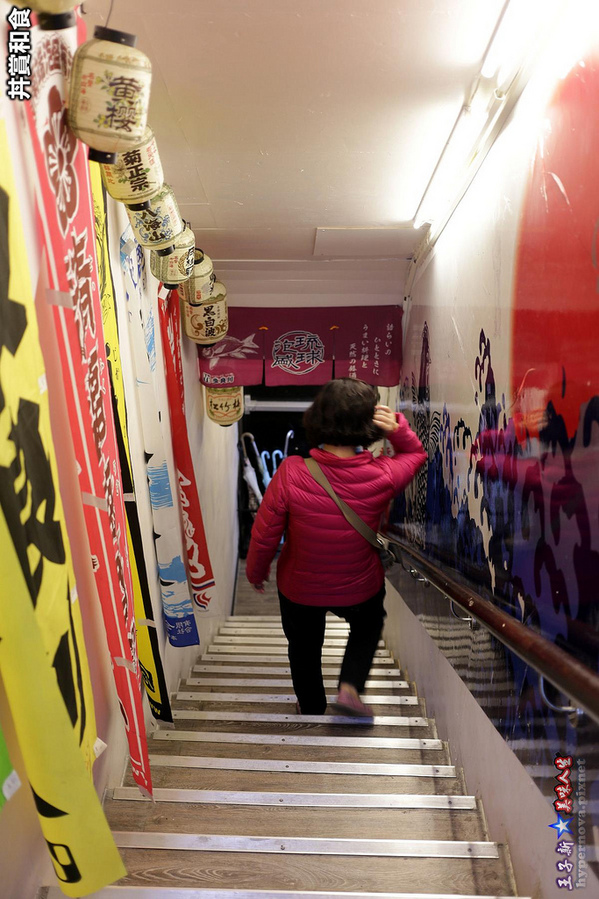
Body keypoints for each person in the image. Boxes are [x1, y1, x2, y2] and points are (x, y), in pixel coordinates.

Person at [245, 378, 427, 717]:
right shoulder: (383, 475)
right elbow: (416, 454)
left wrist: (256, 573)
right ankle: (349, 688)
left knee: (303, 648)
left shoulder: (291, 472)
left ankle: (312, 708)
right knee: (369, 624)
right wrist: (398, 428)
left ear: (317, 419)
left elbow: (264, 533)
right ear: (371, 423)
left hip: (299, 588)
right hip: (358, 587)